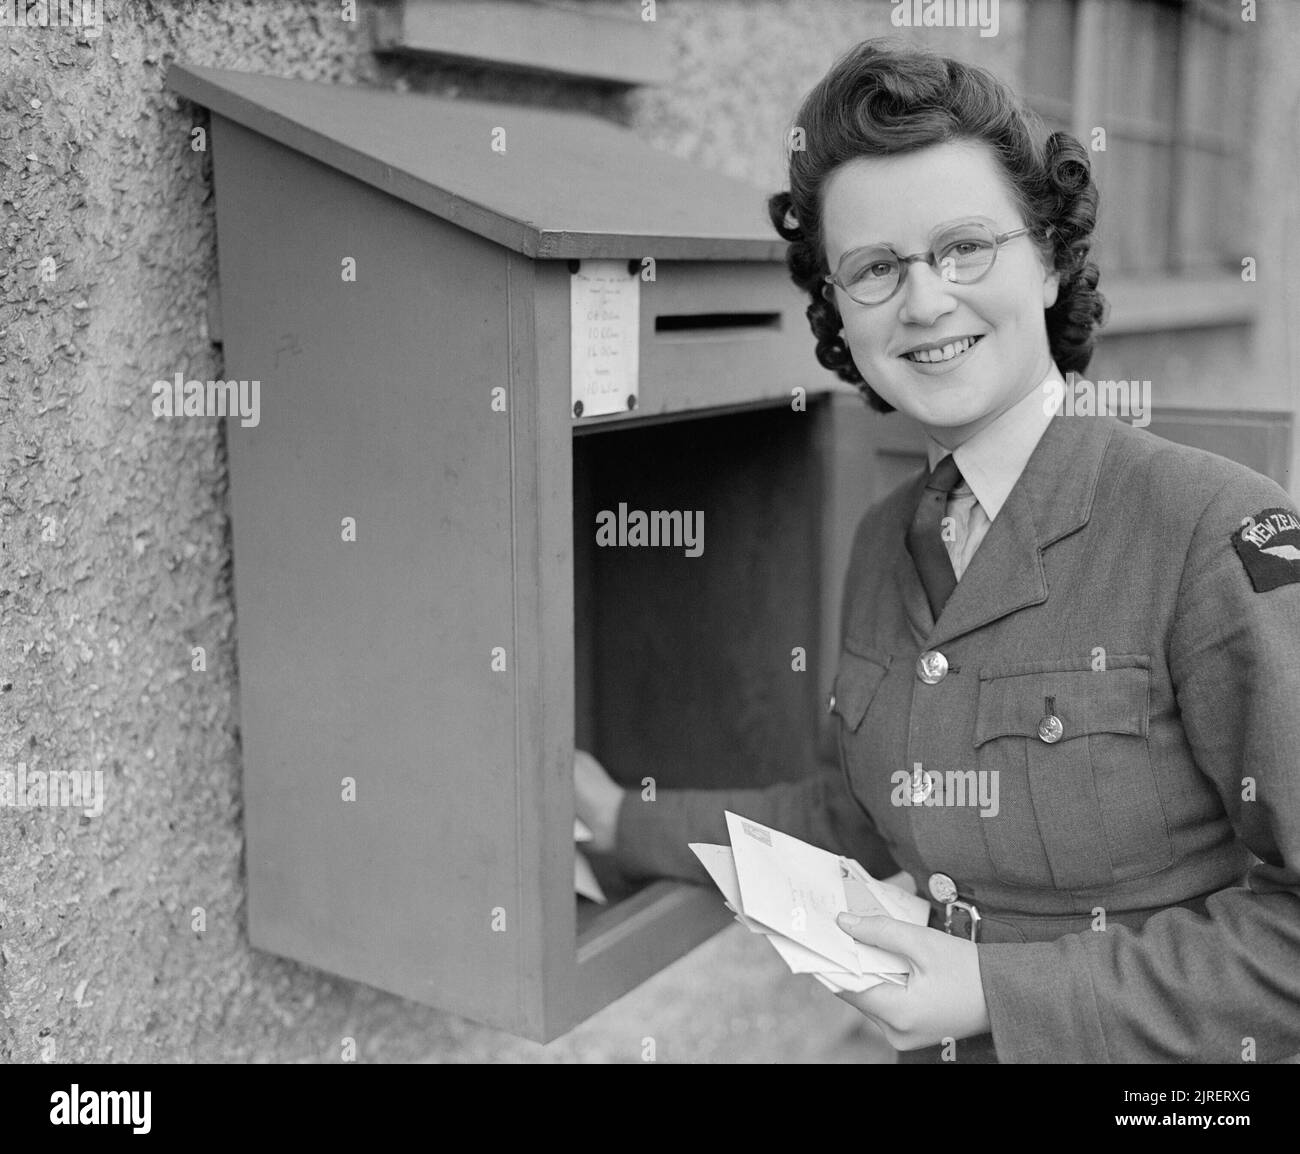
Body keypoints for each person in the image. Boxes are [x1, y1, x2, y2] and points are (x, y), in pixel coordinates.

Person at [575, 39, 1300, 1064]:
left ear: (1048, 260)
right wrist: (618, 821)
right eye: (875, 269)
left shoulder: (1211, 527)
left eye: (965, 247)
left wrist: (999, 992)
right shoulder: (886, 541)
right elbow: (854, 815)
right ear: (839, 313)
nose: (923, 301)